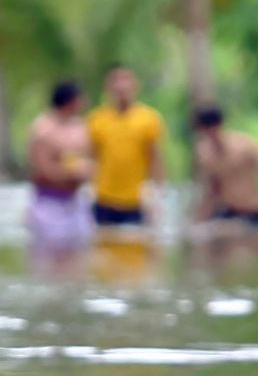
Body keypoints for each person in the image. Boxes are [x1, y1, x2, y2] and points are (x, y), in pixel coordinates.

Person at [87, 64, 166, 225]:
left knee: (136, 248)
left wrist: (157, 193)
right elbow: (92, 157)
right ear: (107, 86)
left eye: (126, 79)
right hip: (104, 199)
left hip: (136, 201)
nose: (121, 85)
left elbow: (155, 158)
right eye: (115, 80)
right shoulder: (96, 119)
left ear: (136, 84)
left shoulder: (149, 119)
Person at [26, 81, 93, 249]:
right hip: (49, 204)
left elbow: (87, 159)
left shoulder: (80, 127)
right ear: (71, 101)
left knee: (78, 261)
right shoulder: (43, 129)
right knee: (49, 260)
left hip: (75, 203)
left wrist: (87, 170)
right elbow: (42, 169)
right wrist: (70, 173)